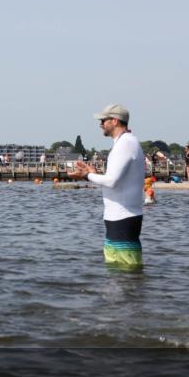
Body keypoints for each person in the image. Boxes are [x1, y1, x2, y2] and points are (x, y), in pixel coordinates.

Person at [68, 104, 145, 268]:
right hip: (120, 216)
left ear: (115, 121)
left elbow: (111, 181)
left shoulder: (125, 143)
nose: (100, 124)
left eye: (103, 120)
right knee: (118, 269)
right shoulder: (126, 142)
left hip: (123, 216)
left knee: (125, 269)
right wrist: (93, 173)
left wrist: (87, 175)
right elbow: (116, 179)